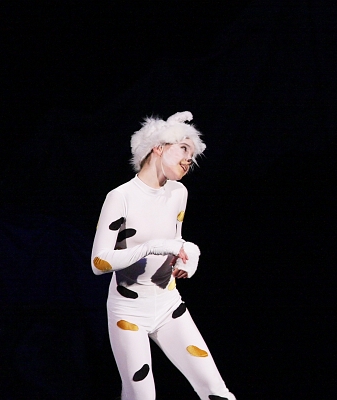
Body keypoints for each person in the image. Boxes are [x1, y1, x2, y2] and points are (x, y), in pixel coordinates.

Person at [91, 111, 236, 400]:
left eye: (192, 156)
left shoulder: (179, 193)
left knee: (216, 391)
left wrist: (187, 257)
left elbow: (175, 240)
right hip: (128, 310)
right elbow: (99, 262)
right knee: (141, 395)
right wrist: (151, 247)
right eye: (183, 149)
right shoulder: (121, 196)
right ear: (158, 147)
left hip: (169, 304)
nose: (188, 160)